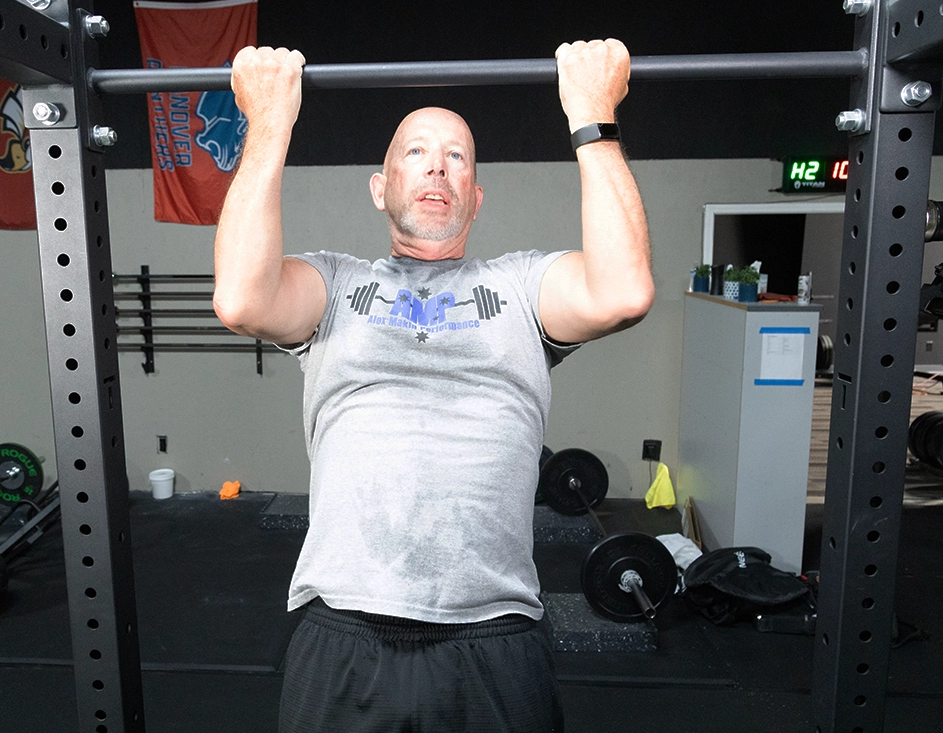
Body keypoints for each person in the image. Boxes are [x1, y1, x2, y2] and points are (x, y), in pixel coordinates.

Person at [213, 39, 653, 733]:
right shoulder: (334, 285)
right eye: (416, 150)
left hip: (496, 636)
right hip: (343, 630)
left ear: (474, 196)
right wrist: (269, 122)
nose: (438, 165)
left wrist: (591, 114)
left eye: (457, 156)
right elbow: (239, 299)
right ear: (379, 184)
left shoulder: (521, 286)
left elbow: (625, 291)